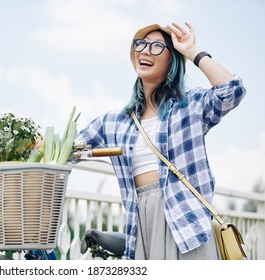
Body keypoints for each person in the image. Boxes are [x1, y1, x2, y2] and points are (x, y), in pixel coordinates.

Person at [75, 22, 246, 260]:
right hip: (142, 224)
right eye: (141, 45)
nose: (145, 51)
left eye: (156, 47)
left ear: (172, 61)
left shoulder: (190, 106)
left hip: (186, 222)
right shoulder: (114, 121)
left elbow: (232, 90)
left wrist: (192, 51)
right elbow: (68, 147)